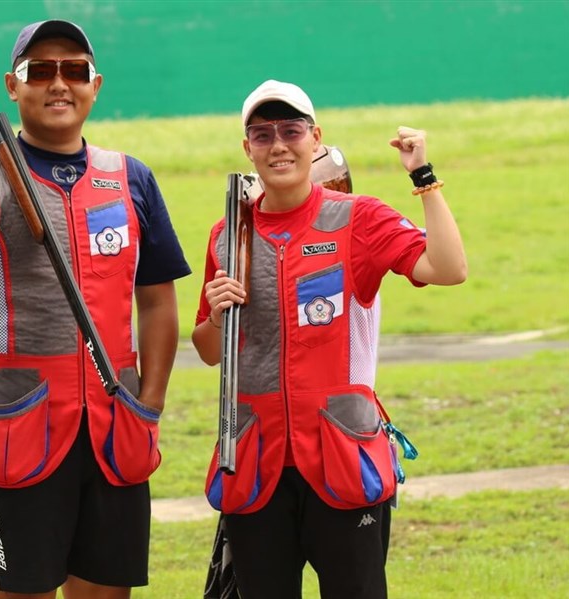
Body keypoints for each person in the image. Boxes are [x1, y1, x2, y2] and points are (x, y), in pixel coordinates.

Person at [0, 19, 191, 599]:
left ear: (95, 84)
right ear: (13, 86)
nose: (58, 83)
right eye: (40, 71)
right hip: (18, 427)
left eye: (73, 70)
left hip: (116, 427)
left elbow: (158, 296)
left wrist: (151, 400)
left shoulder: (131, 176)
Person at [192, 80, 467, 599]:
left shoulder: (358, 218)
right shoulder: (228, 233)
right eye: (262, 133)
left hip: (343, 460)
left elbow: (449, 268)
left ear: (314, 139)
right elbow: (209, 350)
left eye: (291, 130)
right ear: (246, 147)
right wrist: (216, 311)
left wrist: (424, 178)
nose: (278, 145)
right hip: (257, 463)